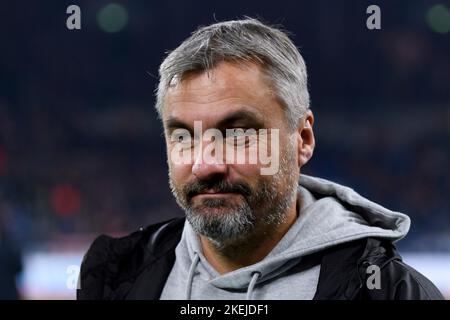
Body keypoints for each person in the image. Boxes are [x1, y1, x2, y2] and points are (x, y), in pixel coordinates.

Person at [77, 18, 444, 300]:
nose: (206, 165)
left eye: (238, 134)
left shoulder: (390, 291)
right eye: (183, 136)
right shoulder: (112, 278)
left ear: (302, 139)